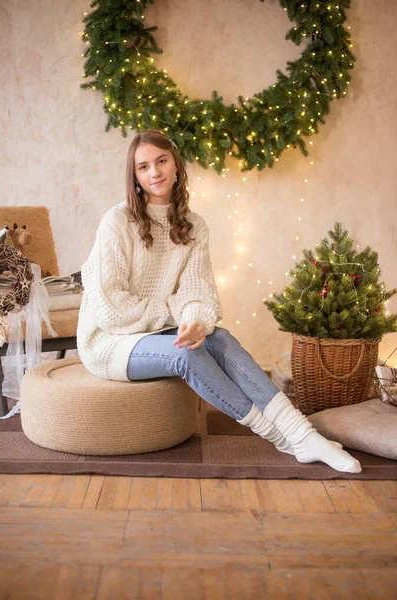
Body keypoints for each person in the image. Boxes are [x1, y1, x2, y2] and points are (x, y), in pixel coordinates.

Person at [77, 129, 361, 474]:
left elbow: (197, 289)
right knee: (187, 354)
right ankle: (286, 438)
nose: (155, 173)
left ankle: (302, 433)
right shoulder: (117, 222)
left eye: (161, 161)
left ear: (176, 164)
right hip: (110, 340)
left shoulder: (194, 226)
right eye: (143, 167)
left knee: (220, 338)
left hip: (157, 329)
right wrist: (172, 313)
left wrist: (194, 319)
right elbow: (111, 305)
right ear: (134, 176)